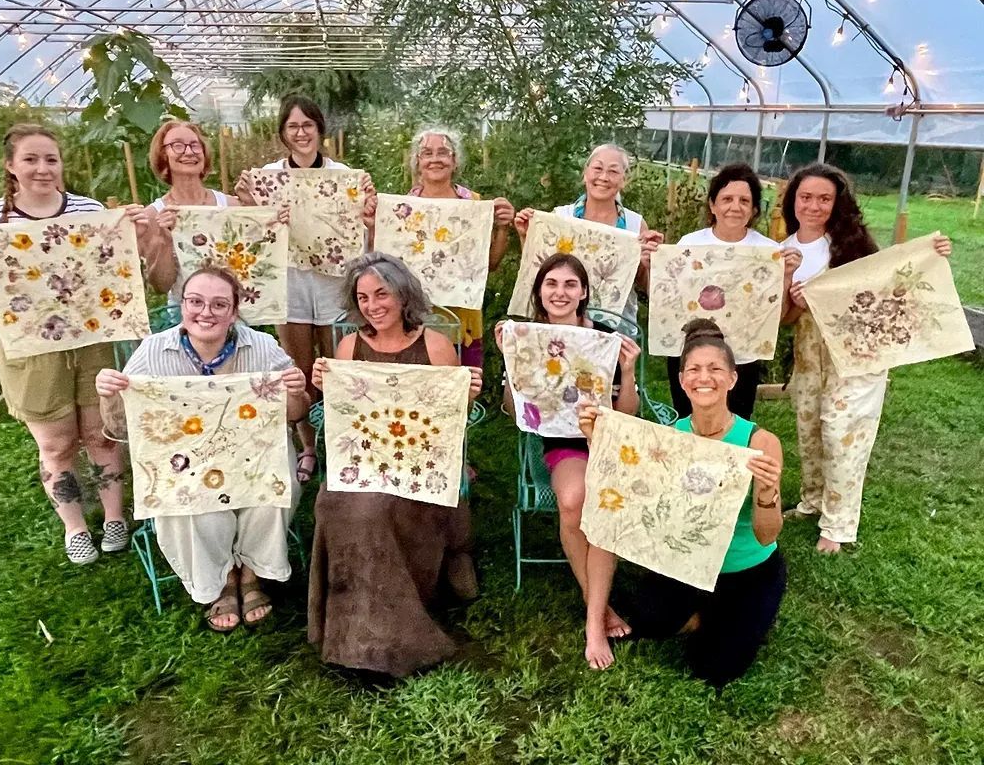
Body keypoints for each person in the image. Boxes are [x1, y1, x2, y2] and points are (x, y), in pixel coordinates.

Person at [0, 123, 151, 564]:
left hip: (92, 340)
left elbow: (117, 273)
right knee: (55, 445)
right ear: (10, 166)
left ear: (61, 164)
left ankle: (114, 516)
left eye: (50, 159)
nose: (42, 169)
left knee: (102, 434)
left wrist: (133, 230)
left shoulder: (88, 211)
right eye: (31, 159)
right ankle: (74, 526)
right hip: (33, 347)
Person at [95, 266, 309, 631]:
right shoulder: (152, 352)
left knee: (274, 484)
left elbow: (296, 414)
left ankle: (252, 573)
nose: (205, 312)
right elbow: (119, 428)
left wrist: (294, 391)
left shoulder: (262, 346)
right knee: (187, 503)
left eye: (219, 304)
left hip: (251, 453)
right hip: (183, 461)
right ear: (182, 305)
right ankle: (221, 581)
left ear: (235, 311)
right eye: (195, 302)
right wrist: (110, 395)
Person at [581, 319, 787, 686]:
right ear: (681, 379)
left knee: (714, 669)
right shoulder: (671, 438)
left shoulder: (759, 442)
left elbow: (765, 534)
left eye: (714, 369)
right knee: (646, 621)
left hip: (747, 570)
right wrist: (598, 441)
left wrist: (768, 494)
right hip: (687, 565)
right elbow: (630, 492)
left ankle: (735, 615)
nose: (703, 377)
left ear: (732, 379)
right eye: (693, 369)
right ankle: (706, 615)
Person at [308, 253, 483, 677]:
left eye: (381, 293)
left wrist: (467, 394)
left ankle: (386, 636)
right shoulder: (350, 345)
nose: (372, 305)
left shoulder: (435, 345)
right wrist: (324, 387)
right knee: (333, 502)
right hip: (365, 461)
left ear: (403, 295)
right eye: (363, 297)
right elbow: (346, 415)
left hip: (419, 468)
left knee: (374, 508)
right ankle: (352, 624)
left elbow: (448, 422)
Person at [781, 163, 953, 554]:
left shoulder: (853, 246)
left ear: (837, 203)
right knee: (809, 430)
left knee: (843, 433)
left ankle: (838, 526)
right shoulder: (784, 250)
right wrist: (794, 301)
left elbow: (891, 284)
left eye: (825, 198)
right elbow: (784, 320)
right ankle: (812, 500)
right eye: (806, 197)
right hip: (809, 354)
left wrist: (933, 253)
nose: (814, 206)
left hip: (857, 357)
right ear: (793, 201)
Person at [496, 253, 641, 639]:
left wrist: (626, 373)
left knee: (604, 498)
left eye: (570, 285)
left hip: (609, 439)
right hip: (565, 441)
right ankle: (597, 605)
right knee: (574, 499)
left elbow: (628, 411)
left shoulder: (604, 338)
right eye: (552, 284)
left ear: (584, 293)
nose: (560, 293)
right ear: (539, 292)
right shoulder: (525, 339)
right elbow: (516, 414)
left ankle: (594, 614)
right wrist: (512, 366)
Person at [235, 95, 377, 484]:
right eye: (293, 127)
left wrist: (366, 211)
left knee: (336, 368)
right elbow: (249, 240)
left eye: (307, 125)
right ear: (283, 133)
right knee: (296, 369)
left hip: (333, 283)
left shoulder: (343, 176)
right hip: (290, 284)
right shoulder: (266, 177)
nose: (301, 133)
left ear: (319, 130)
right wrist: (250, 206)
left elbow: (364, 236)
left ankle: (342, 443)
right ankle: (309, 447)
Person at [666, 163, 802, 419]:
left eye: (744, 200)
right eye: (727, 199)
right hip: (692, 353)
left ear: (753, 210)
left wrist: (786, 276)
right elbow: (671, 301)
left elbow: (776, 316)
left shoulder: (768, 251)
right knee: (689, 421)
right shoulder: (690, 244)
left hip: (742, 356)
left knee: (736, 424)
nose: (735, 206)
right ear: (712, 205)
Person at [514, 143, 663, 325]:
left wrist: (648, 264)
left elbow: (645, 286)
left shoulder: (635, 224)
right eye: (598, 168)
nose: (603, 177)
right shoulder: (561, 217)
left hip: (615, 328)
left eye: (613, 171)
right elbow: (538, 271)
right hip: (560, 324)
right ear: (585, 174)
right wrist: (525, 237)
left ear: (624, 180)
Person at [405, 126, 515, 368]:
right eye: (427, 153)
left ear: (454, 161)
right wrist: (372, 225)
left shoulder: (475, 205)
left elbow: (491, 264)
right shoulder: (402, 209)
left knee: (463, 388)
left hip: (463, 318)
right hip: (415, 317)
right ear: (417, 162)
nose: (435, 159)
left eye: (443, 152)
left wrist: (502, 228)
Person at [138, 120, 235, 299]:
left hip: (230, 312)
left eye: (195, 145)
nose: (189, 152)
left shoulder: (231, 206)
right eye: (178, 146)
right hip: (183, 317)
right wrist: (165, 240)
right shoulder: (153, 215)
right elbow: (160, 286)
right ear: (163, 155)